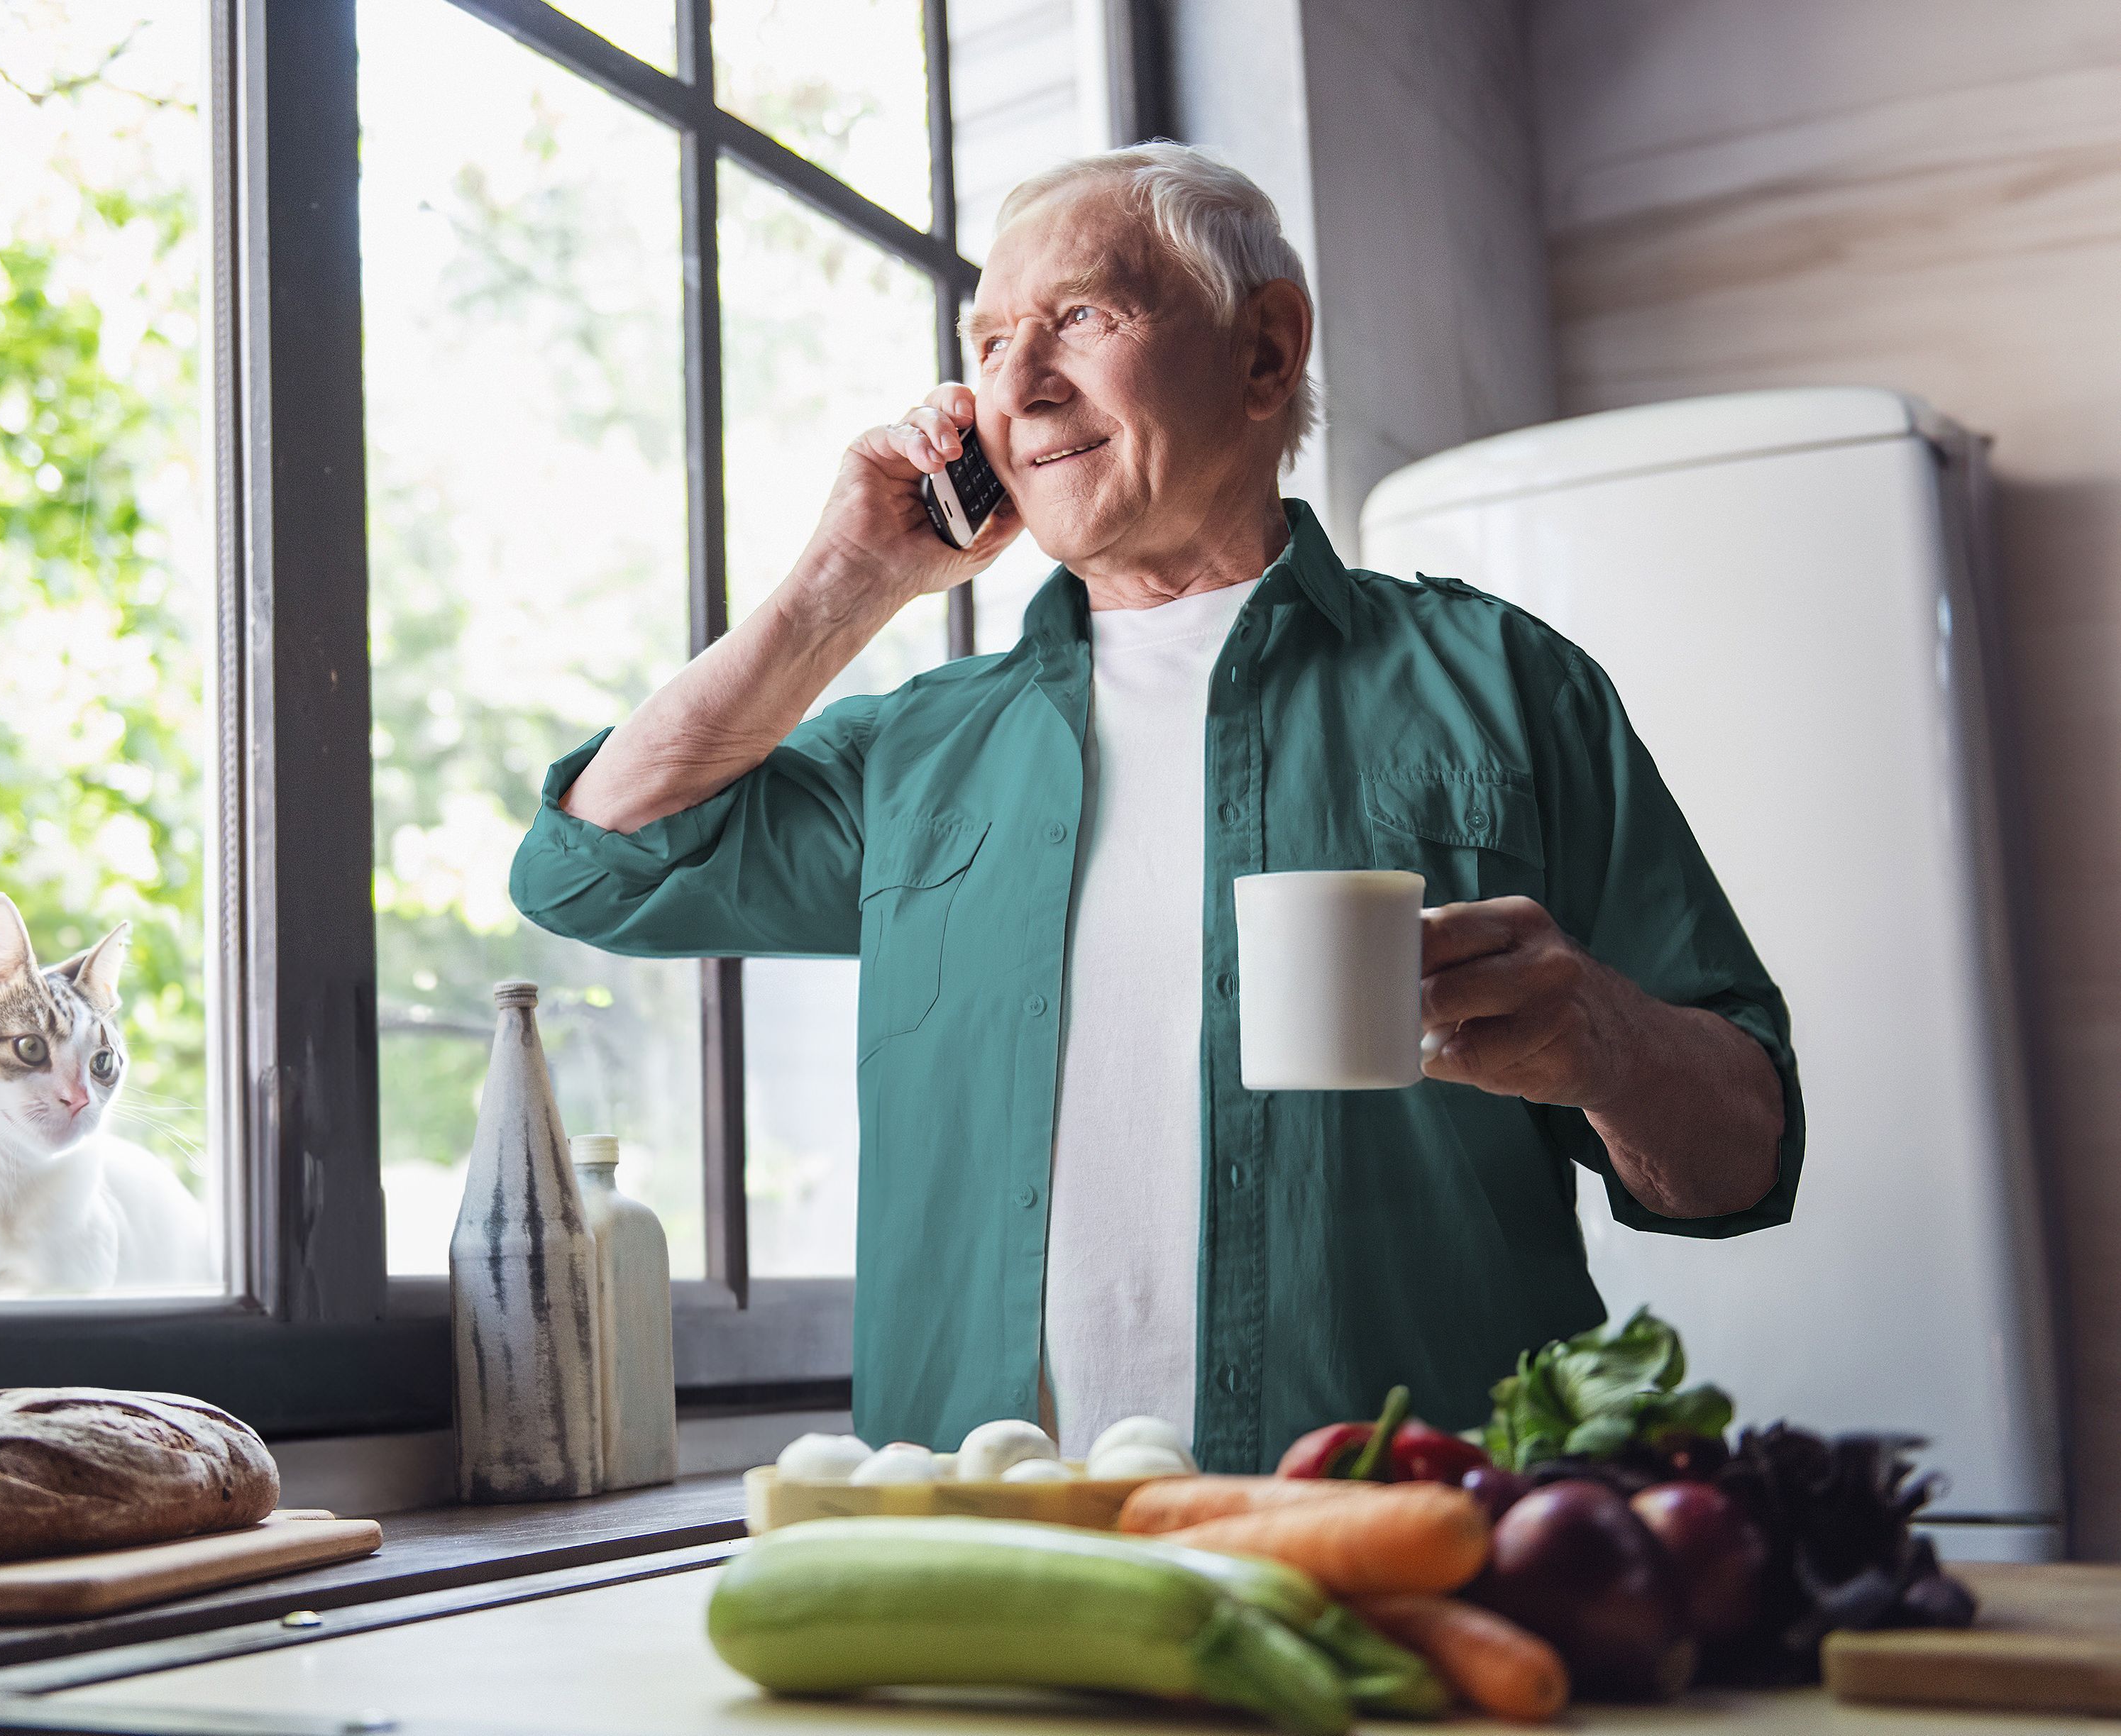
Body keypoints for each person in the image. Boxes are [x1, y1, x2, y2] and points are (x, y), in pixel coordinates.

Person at [508, 142, 1802, 1471]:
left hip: (1417, 1552)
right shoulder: (919, 749)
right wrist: (841, 584)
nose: (1015, 382)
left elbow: (1740, 1165)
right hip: (991, 1561)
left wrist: (1600, 1037)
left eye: (1080, 317)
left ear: (1263, 353)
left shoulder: (1505, 685)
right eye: (991, 339)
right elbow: (588, 868)